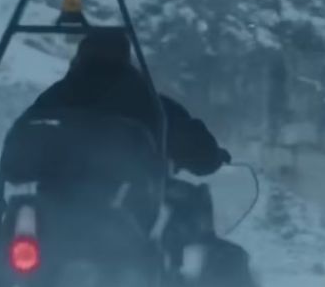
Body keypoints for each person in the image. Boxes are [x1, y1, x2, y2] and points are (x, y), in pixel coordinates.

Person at [20, 27, 231, 177]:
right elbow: (193, 144)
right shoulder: (149, 103)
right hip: (128, 212)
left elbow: (21, 137)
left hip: (54, 209)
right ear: (125, 59)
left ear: (80, 58)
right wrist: (213, 157)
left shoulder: (59, 96)